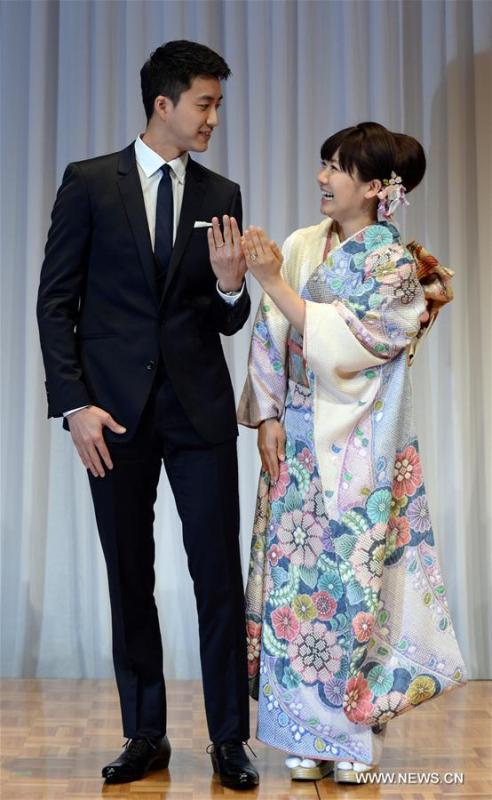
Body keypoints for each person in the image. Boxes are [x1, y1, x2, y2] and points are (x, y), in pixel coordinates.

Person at [37, 40, 259, 789]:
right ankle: (146, 734)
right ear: (163, 104)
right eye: (205, 103)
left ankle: (231, 739)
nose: (214, 119)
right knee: (129, 574)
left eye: (218, 105)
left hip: (198, 414)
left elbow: (226, 319)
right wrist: (74, 405)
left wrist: (234, 289)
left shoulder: (221, 193)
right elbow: (55, 302)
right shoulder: (90, 182)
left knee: (217, 577)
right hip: (114, 418)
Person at [236, 122, 466, 784]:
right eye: (323, 163)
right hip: (303, 439)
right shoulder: (309, 246)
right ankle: (302, 733)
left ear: (372, 187)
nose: (322, 177)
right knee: (297, 586)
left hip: (362, 442)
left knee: (352, 586)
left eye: (336, 167)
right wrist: (270, 415)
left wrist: (274, 282)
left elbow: (352, 344)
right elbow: (272, 330)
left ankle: (354, 735)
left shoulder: (392, 263)